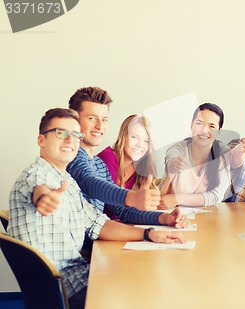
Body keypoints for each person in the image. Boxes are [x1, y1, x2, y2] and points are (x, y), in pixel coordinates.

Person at [7, 108, 186, 309]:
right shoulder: (36, 176)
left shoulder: (67, 182)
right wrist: (44, 199)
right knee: (151, 291)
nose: (70, 141)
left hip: (81, 275)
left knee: (150, 277)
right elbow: (39, 190)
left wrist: (149, 233)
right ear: (41, 140)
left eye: (75, 135)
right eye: (60, 133)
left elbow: (99, 224)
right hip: (66, 289)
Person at [61, 86, 181, 225]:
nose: (100, 126)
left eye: (104, 119)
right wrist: (133, 197)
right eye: (92, 118)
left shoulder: (99, 165)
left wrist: (164, 218)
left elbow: (122, 210)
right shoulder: (70, 156)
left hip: (99, 239)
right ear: (74, 120)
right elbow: (90, 182)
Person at [159, 103, 232, 207]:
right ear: (191, 125)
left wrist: (178, 199)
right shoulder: (178, 149)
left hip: (207, 217)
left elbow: (216, 196)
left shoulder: (222, 154)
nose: (204, 130)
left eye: (212, 126)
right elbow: (170, 160)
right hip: (172, 215)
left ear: (219, 131)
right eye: (199, 123)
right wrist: (175, 165)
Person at [97, 114, 157, 219]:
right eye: (134, 137)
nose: (140, 145)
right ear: (123, 136)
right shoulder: (108, 158)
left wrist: (145, 189)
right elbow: (112, 206)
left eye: (146, 141)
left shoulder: (137, 167)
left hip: (115, 226)